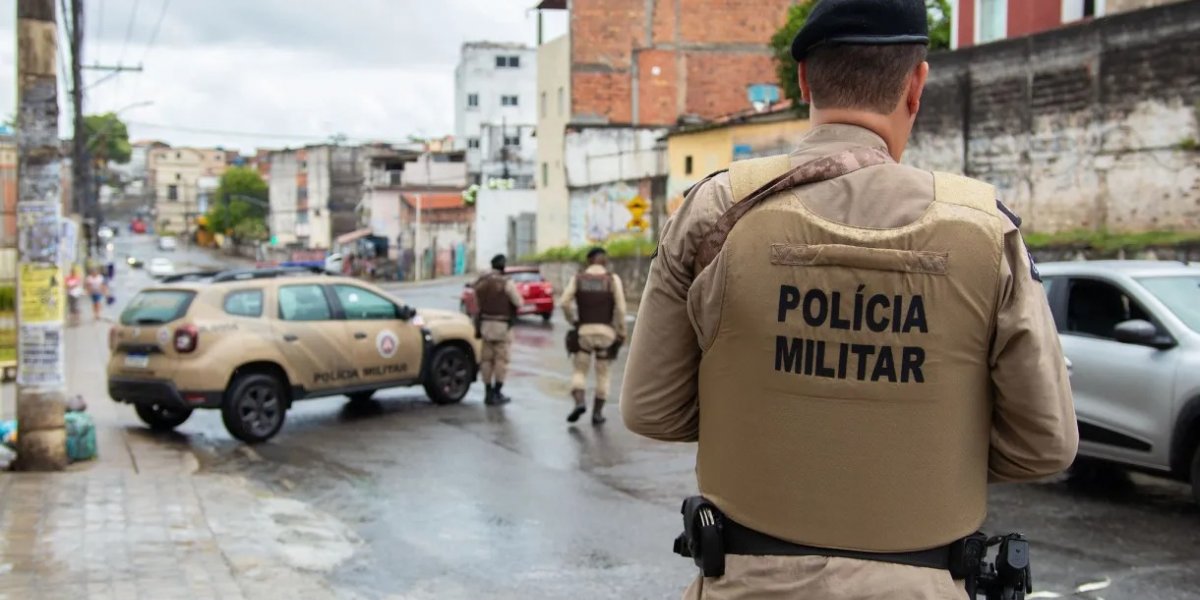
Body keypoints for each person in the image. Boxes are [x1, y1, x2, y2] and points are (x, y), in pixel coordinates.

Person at [620, 1, 1078, 598]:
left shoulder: (714, 213)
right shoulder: (987, 231)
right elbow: (1046, 443)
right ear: (916, 85)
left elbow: (651, 410)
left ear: (805, 79)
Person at [559, 247, 627, 425]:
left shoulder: (578, 278)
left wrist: (573, 321)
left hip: (584, 333)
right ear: (604, 260)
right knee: (603, 374)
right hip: (606, 333)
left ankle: (580, 402)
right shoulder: (612, 280)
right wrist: (621, 332)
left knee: (579, 370)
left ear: (588, 261)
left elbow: (564, 302)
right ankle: (597, 414)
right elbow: (621, 308)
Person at [473, 254, 522, 405]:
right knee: (501, 360)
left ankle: (487, 392)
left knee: (486, 360)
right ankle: (497, 391)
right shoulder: (506, 282)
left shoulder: (482, 281)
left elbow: (476, 299)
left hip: (485, 325)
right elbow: (518, 302)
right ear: (503, 266)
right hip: (502, 325)